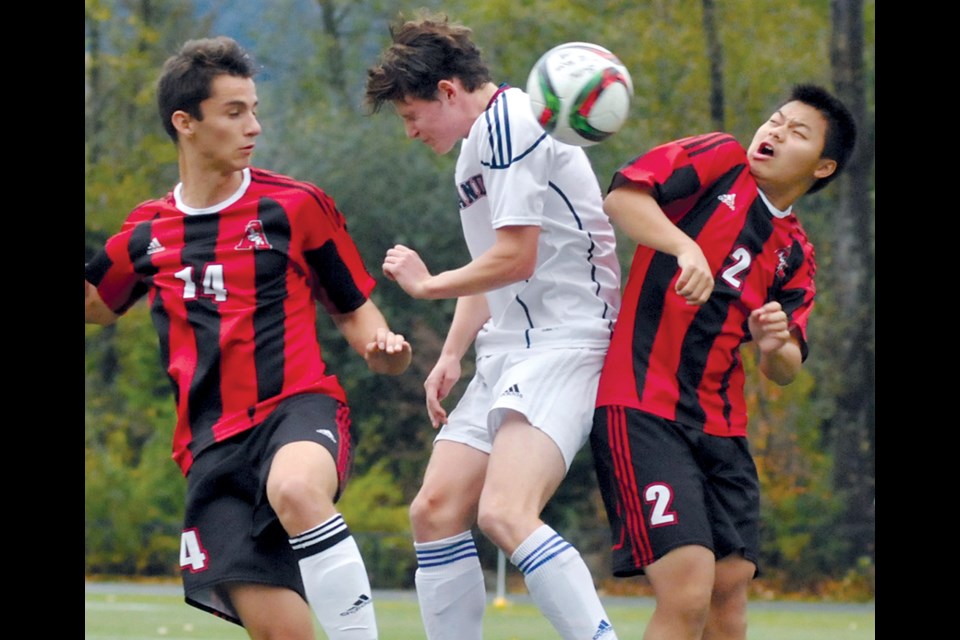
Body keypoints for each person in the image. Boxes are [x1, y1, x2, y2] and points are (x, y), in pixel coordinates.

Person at [84, 36, 412, 640]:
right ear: (186, 123)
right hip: (209, 449)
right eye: (234, 112)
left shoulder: (296, 207)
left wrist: (382, 349)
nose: (254, 125)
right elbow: (97, 306)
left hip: (298, 407)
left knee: (295, 486)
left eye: (254, 108)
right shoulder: (145, 232)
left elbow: (355, 312)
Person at [363, 12, 621, 640]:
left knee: (504, 513)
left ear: (448, 91)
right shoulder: (476, 150)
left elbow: (517, 257)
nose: (411, 131)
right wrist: (451, 355)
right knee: (434, 510)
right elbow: (491, 270)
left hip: (567, 340)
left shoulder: (509, 124)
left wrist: (425, 286)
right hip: (511, 348)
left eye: (411, 114)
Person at [589, 83, 858, 640]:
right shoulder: (719, 160)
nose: (776, 132)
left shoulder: (797, 254)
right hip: (642, 405)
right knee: (687, 592)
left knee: (729, 592)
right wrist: (684, 247)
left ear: (823, 166)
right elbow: (621, 198)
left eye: (798, 133)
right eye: (776, 120)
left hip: (721, 426)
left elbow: (784, 369)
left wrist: (773, 341)